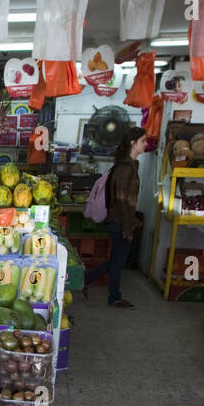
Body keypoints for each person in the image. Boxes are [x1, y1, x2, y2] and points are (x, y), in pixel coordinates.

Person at [84, 127, 147, 309]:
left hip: (121, 221)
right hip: (119, 221)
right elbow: (121, 201)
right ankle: (113, 297)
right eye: (142, 141)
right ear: (132, 143)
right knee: (118, 262)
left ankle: (87, 282)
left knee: (116, 260)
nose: (145, 144)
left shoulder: (128, 166)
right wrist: (128, 227)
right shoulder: (125, 168)